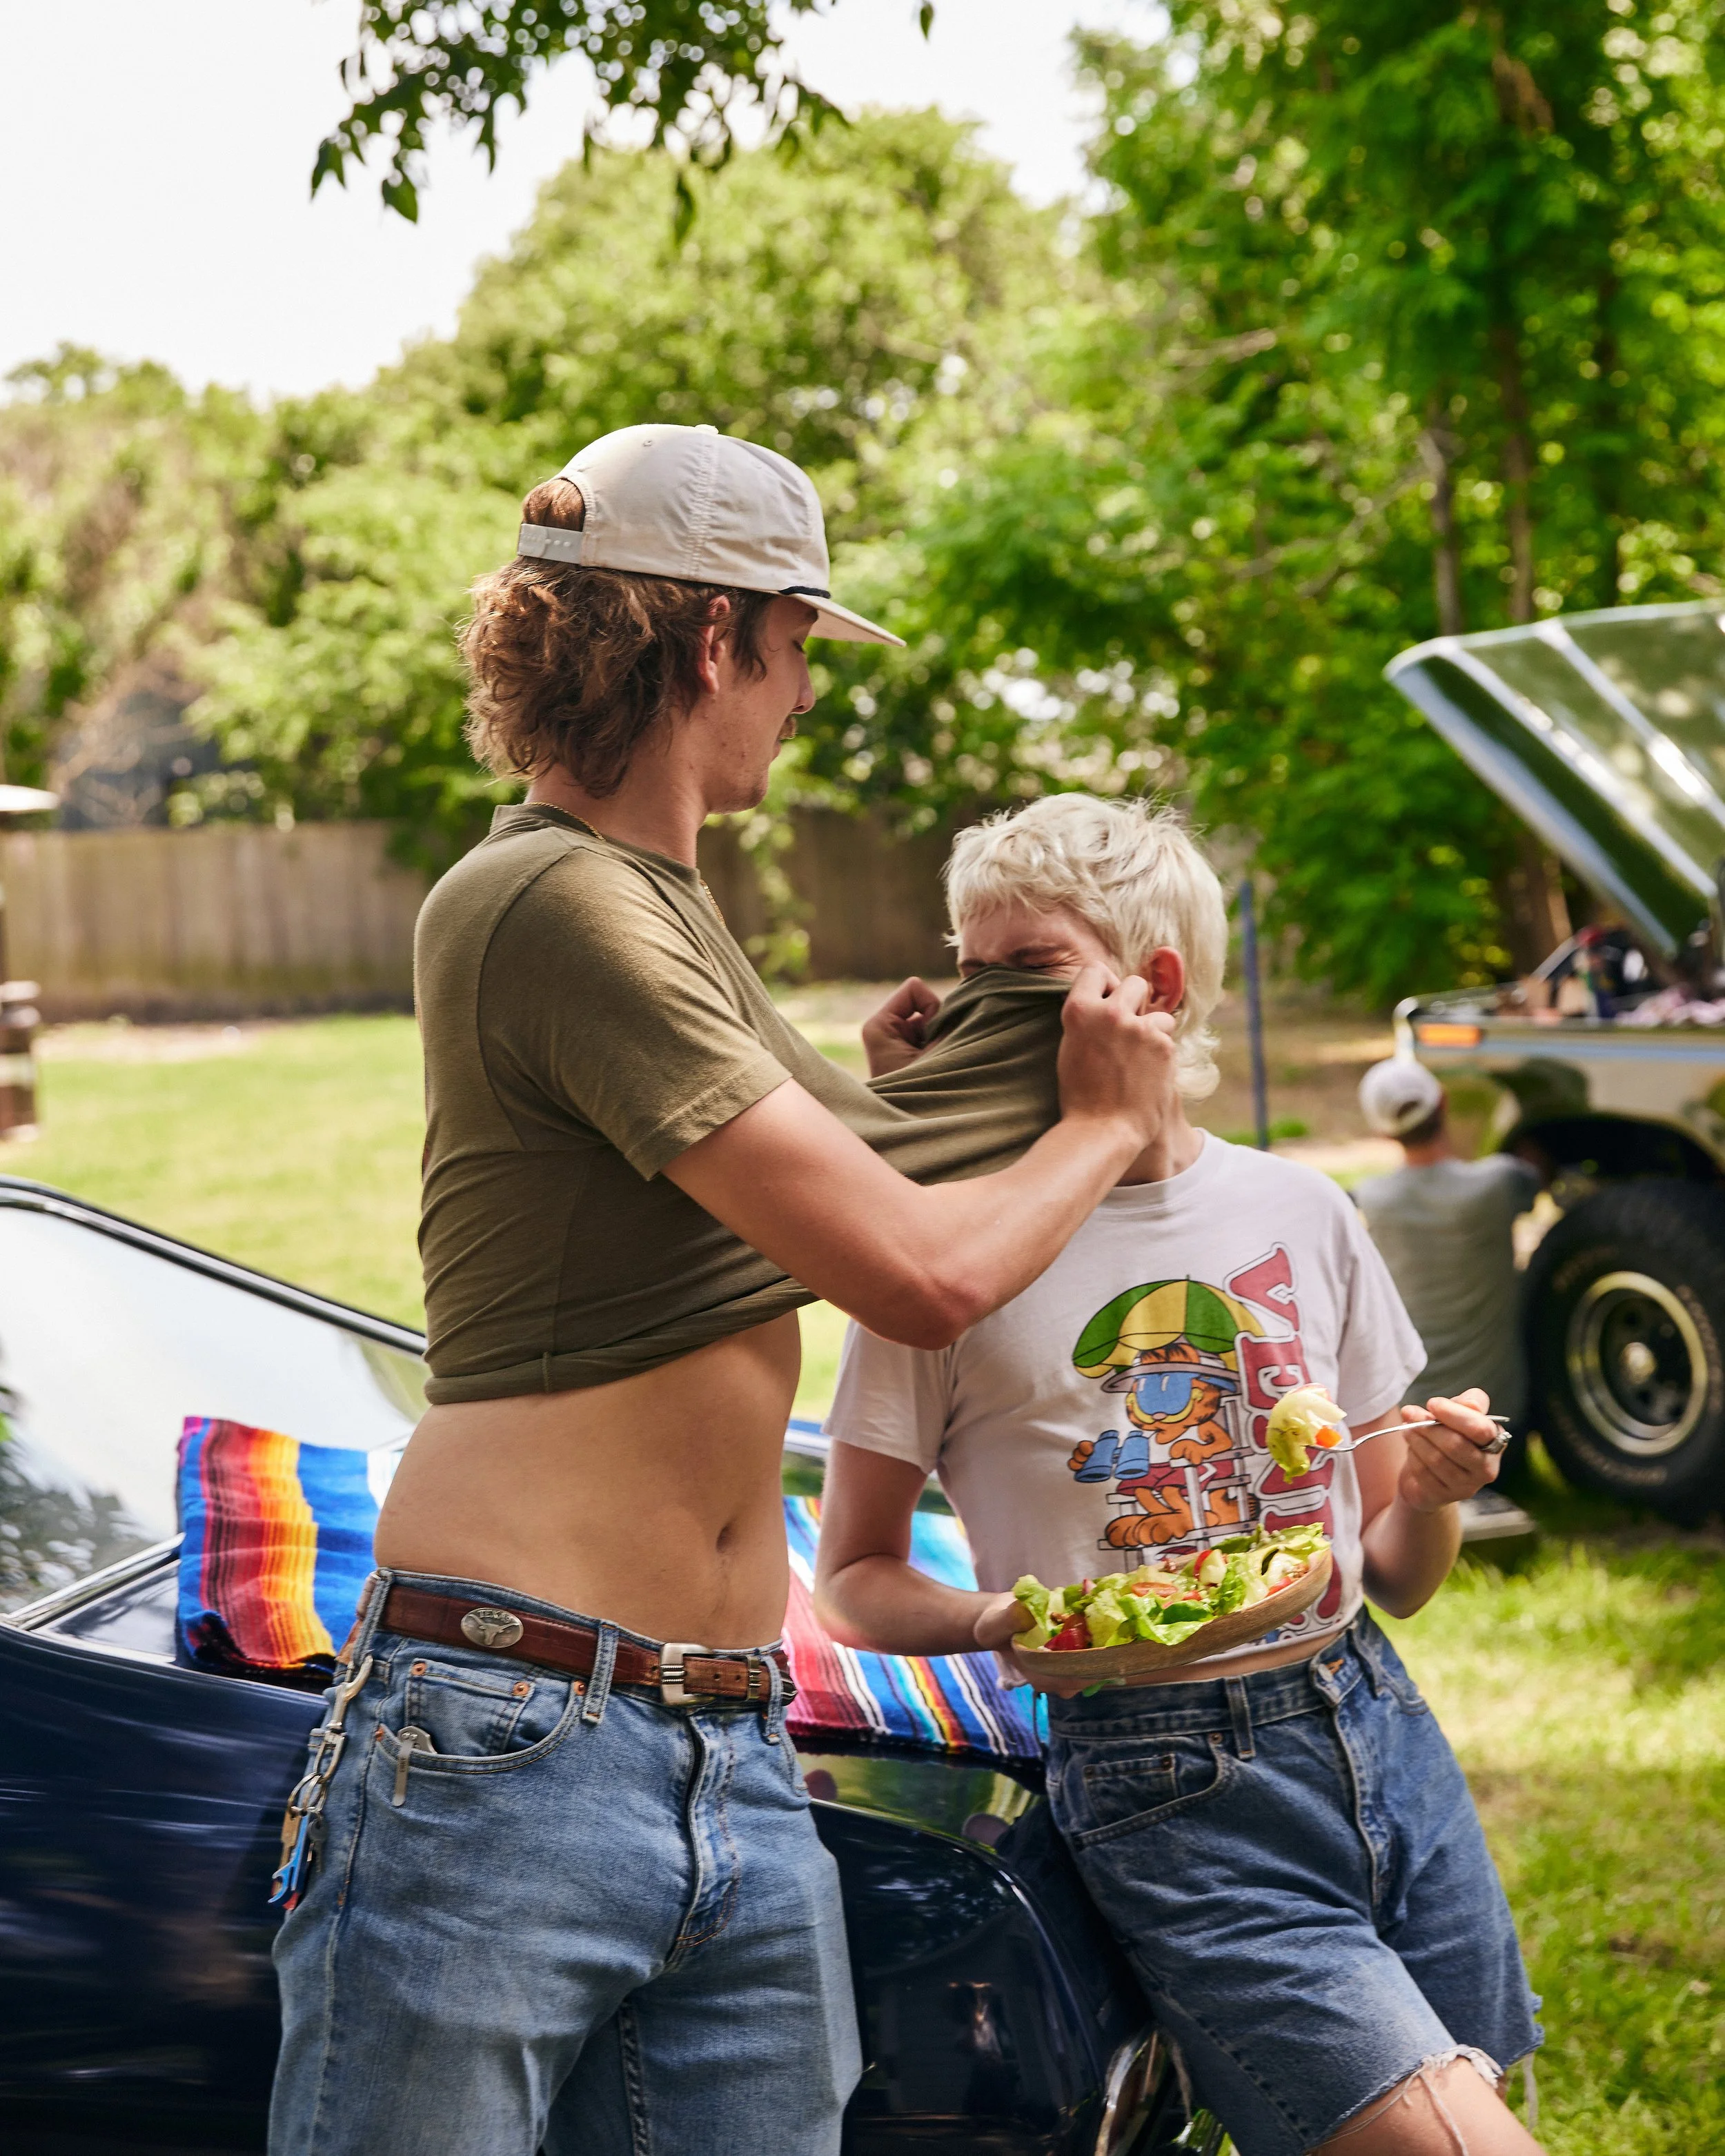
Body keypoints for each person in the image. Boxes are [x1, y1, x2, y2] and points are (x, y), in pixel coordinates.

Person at [266, 424, 1179, 2156]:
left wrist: (889, 1073)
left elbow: (836, 1159)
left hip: (720, 1736)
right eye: (798, 650)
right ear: (711, 640)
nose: (807, 697)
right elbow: (914, 1271)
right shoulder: (546, 899)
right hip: (509, 1728)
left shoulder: (661, 904)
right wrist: (1103, 1123)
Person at [814, 795, 1545, 2156]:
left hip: (1367, 1714)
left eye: (1017, 971)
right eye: (961, 969)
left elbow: (1389, 1566)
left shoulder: (1297, 1208)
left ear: (1150, 988)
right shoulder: (948, 1259)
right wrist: (1004, 1622)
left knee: (1481, 2099)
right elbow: (850, 1573)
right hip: (1161, 1774)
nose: (976, 1005)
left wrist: (1433, 1481)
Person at [1353, 1058, 1545, 1446]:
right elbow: (1537, 1180)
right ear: (1442, 1102)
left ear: (1382, 1131)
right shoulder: (1498, 1183)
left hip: (1415, 1418)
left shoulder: (1372, 1200)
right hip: (1500, 1415)